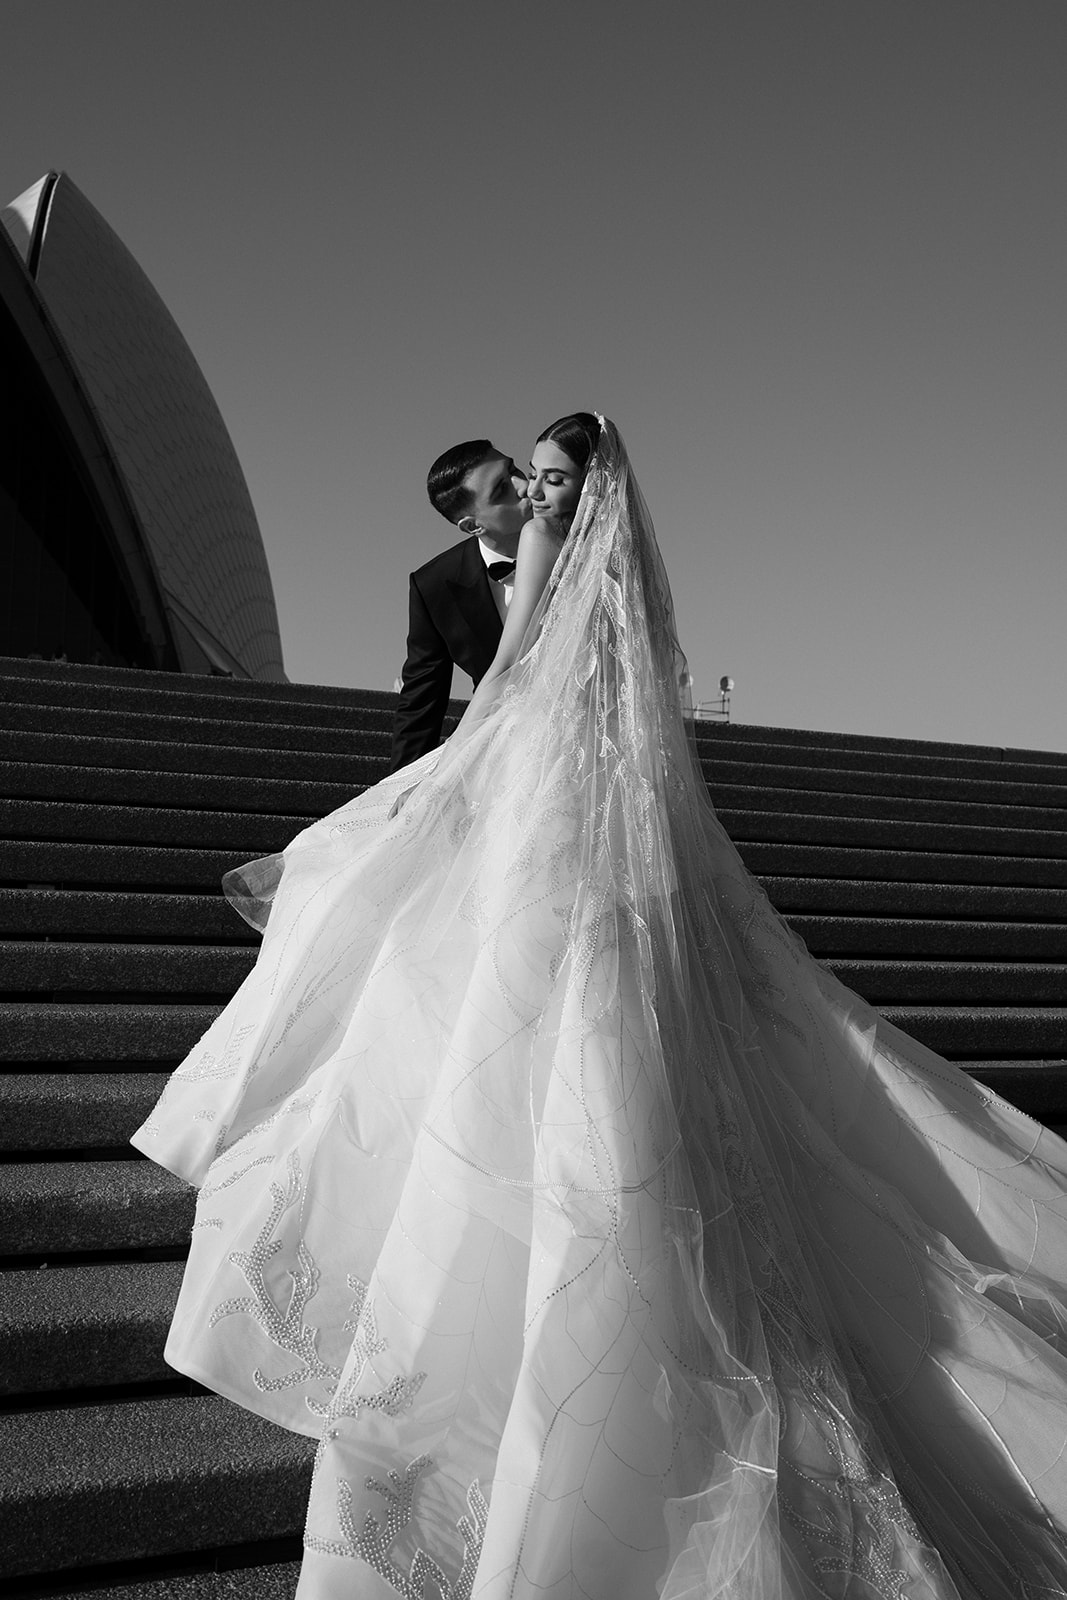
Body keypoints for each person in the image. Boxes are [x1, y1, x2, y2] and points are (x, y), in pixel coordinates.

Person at [133, 414, 1067, 1599]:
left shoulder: (564, 561)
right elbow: (543, 682)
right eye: (523, 479)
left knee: (540, 1008)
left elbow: (520, 675)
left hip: (564, 799)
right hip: (573, 794)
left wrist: (453, 782)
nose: (533, 493)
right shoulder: (601, 564)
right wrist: (436, 777)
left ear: (589, 486)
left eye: (549, 477)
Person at [388, 440, 531, 772]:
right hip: (502, 749)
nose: (524, 486)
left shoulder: (583, 542)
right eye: (501, 489)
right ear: (472, 526)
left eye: (513, 469)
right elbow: (422, 700)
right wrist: (402, 786)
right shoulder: (434, 585)